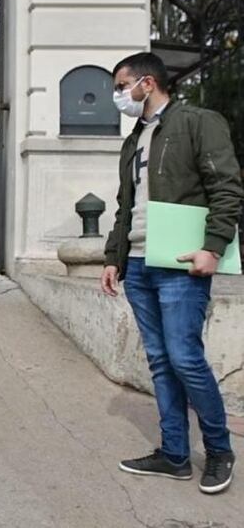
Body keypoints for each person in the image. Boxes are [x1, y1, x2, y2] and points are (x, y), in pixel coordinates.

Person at [102, 52, 242, 494]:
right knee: (161, 361)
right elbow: (127, 206)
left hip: (181, 261)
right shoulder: (134, 139)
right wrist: (114, 257)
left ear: (148, 83)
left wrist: (213, 248)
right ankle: (175, 455)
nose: (117, 95)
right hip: (140, 263)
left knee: (184, 358)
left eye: (121, 86)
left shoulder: (198, 122)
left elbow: (226, 186)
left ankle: (219, 451)